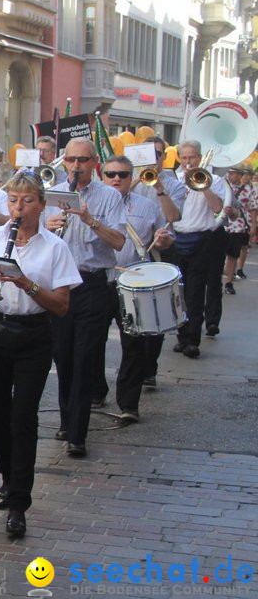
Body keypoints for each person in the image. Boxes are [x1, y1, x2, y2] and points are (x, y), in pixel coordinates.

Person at [0, 171, 80, 539]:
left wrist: (25, 282)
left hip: (35, 336)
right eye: (12, 202)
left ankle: (20, 501)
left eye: (26, 202)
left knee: (24, 416)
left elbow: (62, 306)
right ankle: (7, 477)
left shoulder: (55, 247)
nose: (17, 209)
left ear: (41, 204)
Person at [44, 138, 126, 457]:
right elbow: (31, 237)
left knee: (83, 359)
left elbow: (119, 242)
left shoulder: (109, 197)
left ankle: (78, 434)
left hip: (92, 284)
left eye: (83, 160)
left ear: (95, 163)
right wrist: (46, 227)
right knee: (62, 357)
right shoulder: (51, 193)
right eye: (70, 159)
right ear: (64, 162)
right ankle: (67, 420)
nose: (76, 166)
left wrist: (91, 220)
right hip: (60, 285)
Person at [100, 155, 173, 421]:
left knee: (133, 344)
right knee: (92, 342)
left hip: (133, 280)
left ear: (132, 178)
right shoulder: (90, 205)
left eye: (122, 174)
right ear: (102, 176)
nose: (116, 179)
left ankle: (128, 404)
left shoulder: (147, 205)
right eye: (110, 174)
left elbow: (165, 239)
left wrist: (162, 240)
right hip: (100, 279)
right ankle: (97, 391)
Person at [172, 140, 229, 357]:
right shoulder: (175, 180)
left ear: (200, 157)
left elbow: (217, 209)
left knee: (195, 292)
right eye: (184, 158)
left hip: (202, 239)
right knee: (178, 292)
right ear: (179, 158)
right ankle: (181, 335)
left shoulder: (213, 180)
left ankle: (192, 340)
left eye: (192, 157)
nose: (188, 162)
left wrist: (203, 186)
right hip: (178, 238)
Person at [128, 135, 184, 224]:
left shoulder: (176, 185)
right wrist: (139, 178)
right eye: (148, 154)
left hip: (161, 235)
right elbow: (115, 199)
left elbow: (173, 217)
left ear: (165, 156)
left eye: (157, 154)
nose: (153, 158)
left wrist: (159, 188)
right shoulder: (128, 180)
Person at [221, 166, 251, 296]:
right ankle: (217, 280)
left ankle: (228, 283)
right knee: (220, 254)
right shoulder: (221, 185)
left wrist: (253, 226)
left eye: (233, 174)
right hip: (221, 225)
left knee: (233, 255)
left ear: (240, 175)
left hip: (238, 225)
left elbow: (253, 208)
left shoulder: (249, 189)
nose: (230, 176)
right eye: (229, 173)